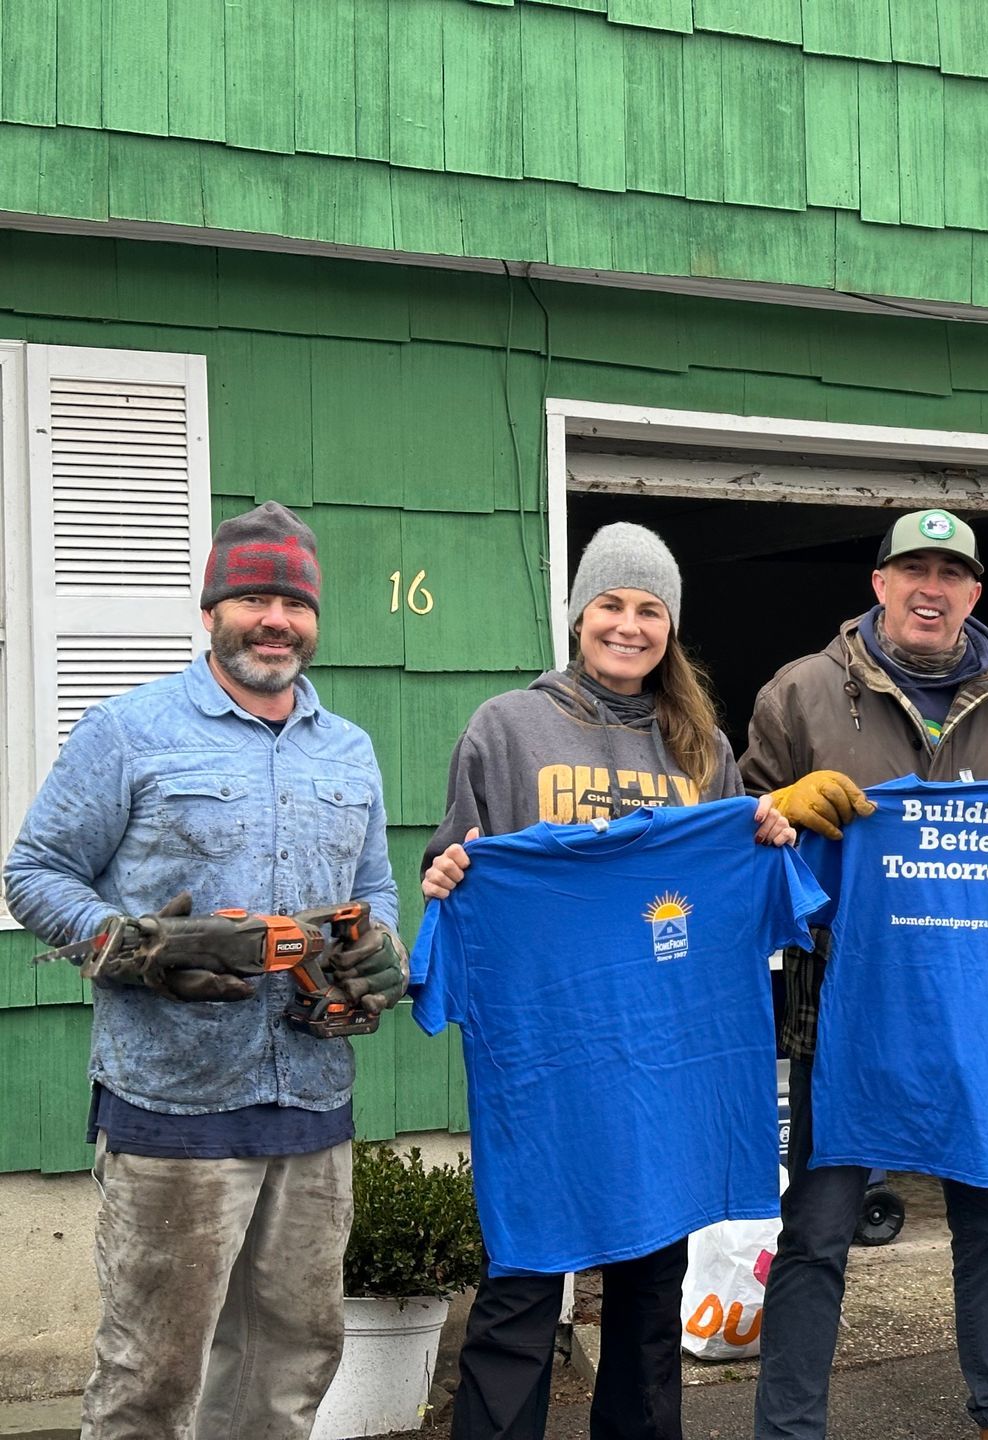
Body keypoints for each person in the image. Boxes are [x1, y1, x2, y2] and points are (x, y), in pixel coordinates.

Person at [3, 502, 404, 1440]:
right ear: (212, 609)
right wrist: (135, 949)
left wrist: (375, 947)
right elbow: (33, 874)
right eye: (254, 597)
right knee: (151, 1381)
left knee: (289, 1372)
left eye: (294, 602)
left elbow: (375, 887)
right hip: (173, 1109)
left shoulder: (348, 749)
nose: (276, 620)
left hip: (311, 1104)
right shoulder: (128, 731)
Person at [741, 508, 988, 1440]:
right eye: (912, 568)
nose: (931, 587)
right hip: (846, 998)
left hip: (980, 1003)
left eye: (951, 573)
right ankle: (788, 1426)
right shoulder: (801, 692)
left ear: (974, 594)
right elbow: (737, 826)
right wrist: (775, 808)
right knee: (818, 1229)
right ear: (877, 583)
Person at [418, 521, 793, 1440]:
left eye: (649, 610)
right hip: (548, 1060)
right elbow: (454, 859)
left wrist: (764, 840)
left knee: (649, 1299)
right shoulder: (507, 727)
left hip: (663, 1062)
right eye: (611, 606)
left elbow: (725, 878)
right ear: (580, 614)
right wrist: (447, 875)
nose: (628, 626)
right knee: (519, 1289)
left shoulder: (700, 745)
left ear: (671, 627)